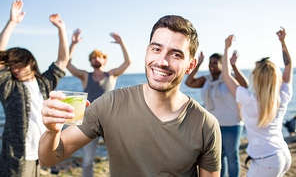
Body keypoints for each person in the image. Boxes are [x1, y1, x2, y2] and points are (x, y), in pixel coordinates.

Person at [39, 15, 222, 177]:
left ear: (191, 65)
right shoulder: (109, 104)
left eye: (175, 54)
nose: (161, 61)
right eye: (156, 49)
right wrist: (52, 130)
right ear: (147, 51)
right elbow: (48, 158)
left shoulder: (206, 125)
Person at [0, 0, 69, 177]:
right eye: (11, 66)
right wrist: (12, 22)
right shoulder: (9, 85)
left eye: (17, 65)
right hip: (16, 157)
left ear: (29, 63)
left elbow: (63, 60)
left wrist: (61, 29)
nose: (14, 70)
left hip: (40, 154)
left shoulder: (44, 82)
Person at [222, 27, 292, 177]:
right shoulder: (283, 96)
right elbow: (288, 67)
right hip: (283, 155)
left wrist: (226, 48)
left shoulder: (249, 99)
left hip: (266, 162)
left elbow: (226, 75)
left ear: (257, 78)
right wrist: (283, 42)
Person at [67, 29, 132, 176]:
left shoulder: (111, 75)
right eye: (93, 57)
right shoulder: (85, 76)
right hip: (88, 121)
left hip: (110, 122)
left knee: (118, 158)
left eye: (99, 57)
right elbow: (68, 64)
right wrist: (73, 44)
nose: (96, 59)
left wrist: (122, 43)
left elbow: (128, 62)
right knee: (88, 160)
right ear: (90, 61)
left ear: (104, 60)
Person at [185, 50, 249, 177]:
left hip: (232, 124)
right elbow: (189, 82)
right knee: (218, 158)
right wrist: (199, 64)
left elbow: (244, 85)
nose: (211, 65)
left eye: (215, 62)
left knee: (232, 156)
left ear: (222, 64)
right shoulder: (207, 79)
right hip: (212, 125)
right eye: (210, 62)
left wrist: (233, 66)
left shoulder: (229, 79)